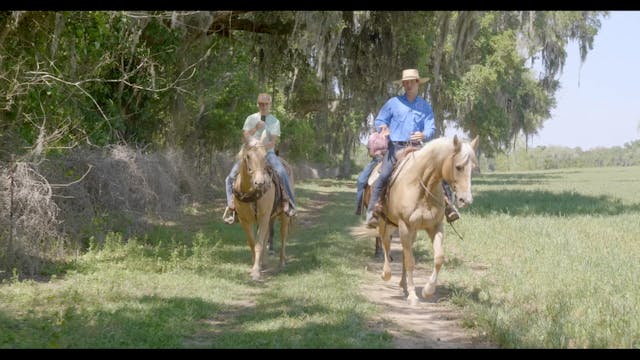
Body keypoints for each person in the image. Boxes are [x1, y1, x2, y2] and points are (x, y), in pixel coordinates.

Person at [365, 69, 459, 228]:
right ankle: (372, 211)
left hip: (417, 149)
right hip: (395, 148)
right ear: (402, 84)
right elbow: (380, 119)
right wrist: (384, 128)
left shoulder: (425, 106)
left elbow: (431, 128)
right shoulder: (393, 103)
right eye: (405, 82)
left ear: (417, 83)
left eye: (411, 82)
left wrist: (423, 134)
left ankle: (449, 207)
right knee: (384, 175)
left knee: (438, 174)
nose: (408, 85)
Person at [223, 93, 296, 224]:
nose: (263, 106)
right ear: (257, 104)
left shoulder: (274, 121)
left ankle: (289, 202)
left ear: (270, 105)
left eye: (266, 104)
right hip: (250, 154)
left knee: (282, 172)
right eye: (261, 104)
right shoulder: (251, 118)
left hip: (267, 153)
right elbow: (244, 137)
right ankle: (231, 206)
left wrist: (260, 147)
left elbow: (273, 142)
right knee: (230, 177)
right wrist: (255, 128)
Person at [355, 114, 385, 216]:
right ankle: (360, 206)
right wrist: (379, 155)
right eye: (379, 125)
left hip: (388, 160)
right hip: (376, 160)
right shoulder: (373, 137)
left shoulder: (389, 136)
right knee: (361, 180)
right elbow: (371, 153)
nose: (381, 127)